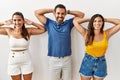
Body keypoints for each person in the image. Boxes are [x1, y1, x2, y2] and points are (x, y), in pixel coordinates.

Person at [34, 4, 84, 80]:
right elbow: (37, 13)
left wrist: (68, 11)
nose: (60, 15)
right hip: (53, 60)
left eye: (62, 13)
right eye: (58, 13)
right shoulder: (49, 23)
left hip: (67, 59)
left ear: (65, 14)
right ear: (54, 13)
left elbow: (81, 15)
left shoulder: (69, 23)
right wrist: (52, 10)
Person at [0, 12, 45, 80]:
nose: (17, 22)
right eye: (15, 20)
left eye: (19, 20)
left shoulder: (28, 31)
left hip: (26, 60)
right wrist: (3, 23)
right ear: (12, 21)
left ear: (23, 21)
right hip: (13, 61)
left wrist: (32, 23)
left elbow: (43, 29)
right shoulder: (8, 30)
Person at [73, 14, 120, 80]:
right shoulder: (86, 33)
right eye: (95, 21)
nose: (97, 23)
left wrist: (105, 19)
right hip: (87, 62)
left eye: (99, 21)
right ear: (92, 23)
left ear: (102, 23)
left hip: (101, 63)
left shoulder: (106, 34)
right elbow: (75, 22)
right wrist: (90, 19)